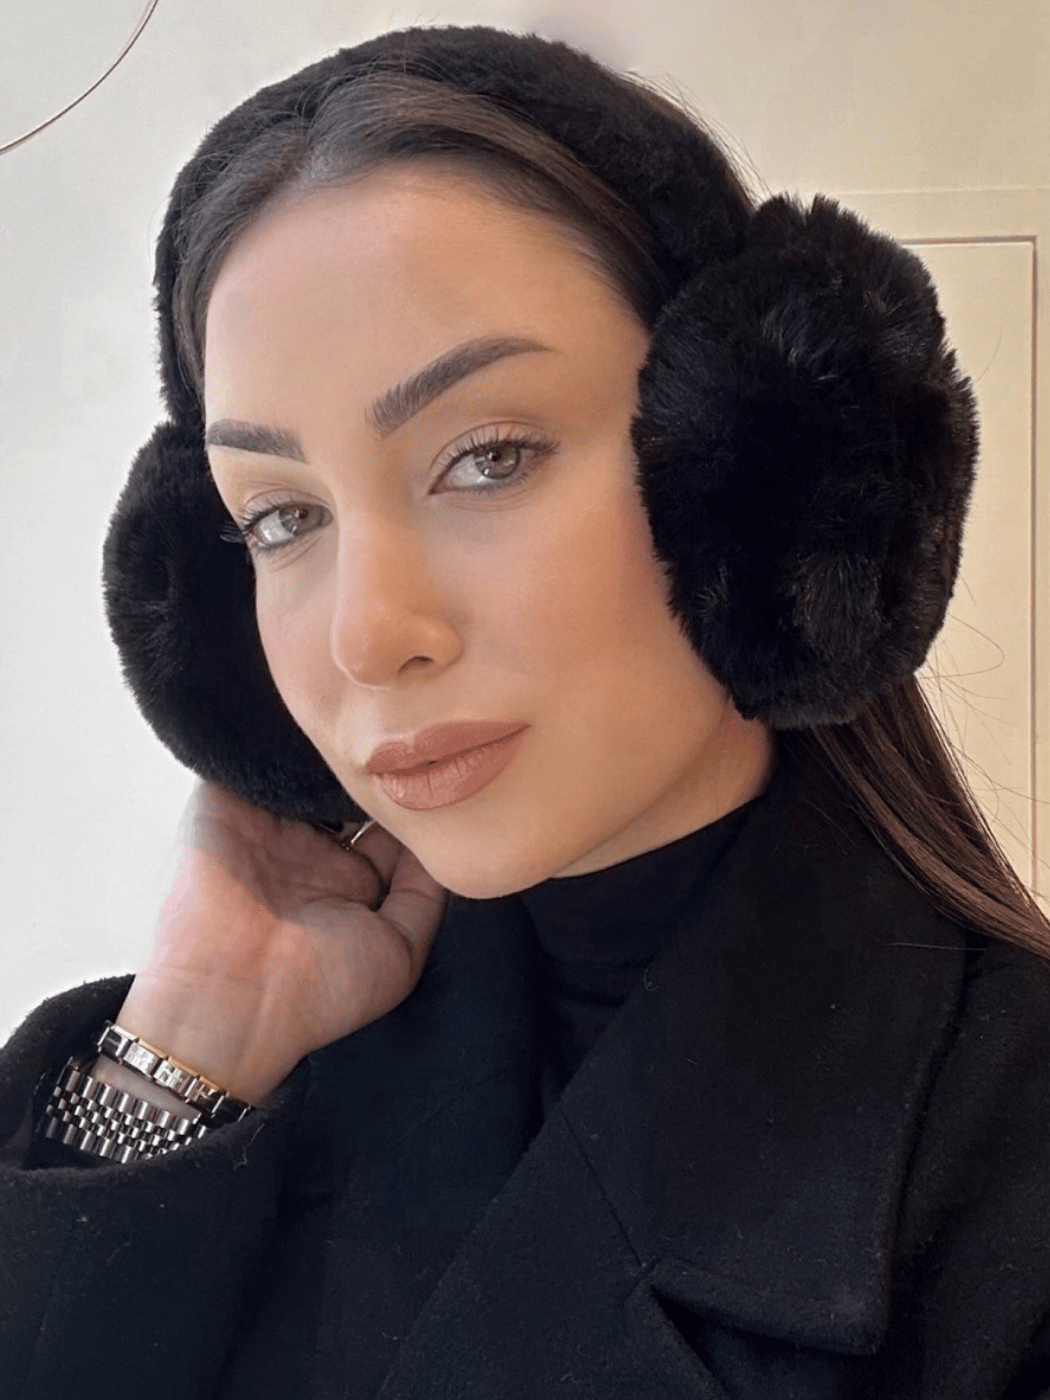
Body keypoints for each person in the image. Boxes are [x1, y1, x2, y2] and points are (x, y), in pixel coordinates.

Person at [2, 23, 1050, 1399]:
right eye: (281, 517)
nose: (368, 634)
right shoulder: (248, 1060)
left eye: (487, 457)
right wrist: (189, 1042)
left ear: (764, 476)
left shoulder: (1009, 1172)